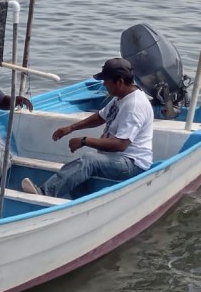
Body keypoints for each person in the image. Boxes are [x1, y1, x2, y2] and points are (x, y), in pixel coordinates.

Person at [21, 58, 153, 198]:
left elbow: (120, 144)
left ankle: (45, 192)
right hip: (116, 158)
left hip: (132, 163)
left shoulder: (134, 106)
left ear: (119, 82)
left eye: (106, 81)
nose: (104, 84)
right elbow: (100, 117)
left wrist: (84, 140)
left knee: (89, 160)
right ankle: (80, 203)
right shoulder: (121, 96)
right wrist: (71, 128)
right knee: (77, 169)